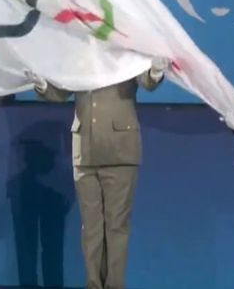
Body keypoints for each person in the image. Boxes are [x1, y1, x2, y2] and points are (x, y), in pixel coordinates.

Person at [27, 57, 167, 289]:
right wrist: (42, 85)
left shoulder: (125, 49)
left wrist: (155, 71)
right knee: (90, 227)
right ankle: (93, 285)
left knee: (116, 226)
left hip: (119, 150)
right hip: (85, 152)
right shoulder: (79, 52)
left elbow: (146, 81)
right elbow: (61, 91)